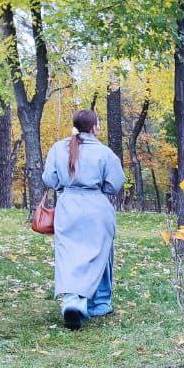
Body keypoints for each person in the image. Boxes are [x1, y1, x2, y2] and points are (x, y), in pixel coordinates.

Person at [41, 109, 125, 330]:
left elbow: (49, 179)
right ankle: (100, 303)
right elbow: (115, 184)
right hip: (97, 207)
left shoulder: (58, 148)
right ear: (95, 127)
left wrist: (64, 186)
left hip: (68, 207)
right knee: (101, 253)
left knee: (68, 255)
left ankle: (72, 301)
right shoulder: (105, 153)